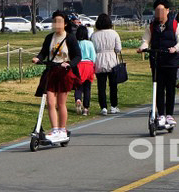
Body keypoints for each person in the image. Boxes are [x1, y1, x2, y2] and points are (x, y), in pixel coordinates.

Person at [32, 10, 81, 143]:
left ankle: (62, 129)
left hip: (64, 73)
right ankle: (54, 130)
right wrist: (38, 58)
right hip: (51, 71)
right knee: (50, 102)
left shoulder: (70, 37)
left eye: (59, 21)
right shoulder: (49, 38)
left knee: (61, 103)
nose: (56, 24)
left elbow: (78, 56)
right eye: (54, 21)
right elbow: (43, 53)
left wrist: (70, 64)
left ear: (65, 24)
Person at [138, 0, 179, 127]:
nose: (159, 14)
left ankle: (169, 114)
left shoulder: (175, 25)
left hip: (171, 61)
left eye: (162, 11)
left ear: (167, 11)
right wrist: (143, 47)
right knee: (158, 88)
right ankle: (161, 114)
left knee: (170, 88)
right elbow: (146, 40)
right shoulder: (151, 26)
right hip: (156, 60)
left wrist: (175, 48)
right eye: (157, 11)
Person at [91, 13, 122, 115]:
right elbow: (118, 49)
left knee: (101, 86)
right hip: (112, 60)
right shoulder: (114, 33)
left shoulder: (94, 35)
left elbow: (93, 49)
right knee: (113, 85)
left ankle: (103, 107)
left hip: (99, 60)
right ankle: (113, 106)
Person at [74, 25, 96, 116]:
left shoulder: (76, 43)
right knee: (87, 88)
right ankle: (86, 108)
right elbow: (93, 57)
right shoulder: (89, 43)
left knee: (78, 86)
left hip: (78, 65)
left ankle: (78, 99)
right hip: (88, 65)